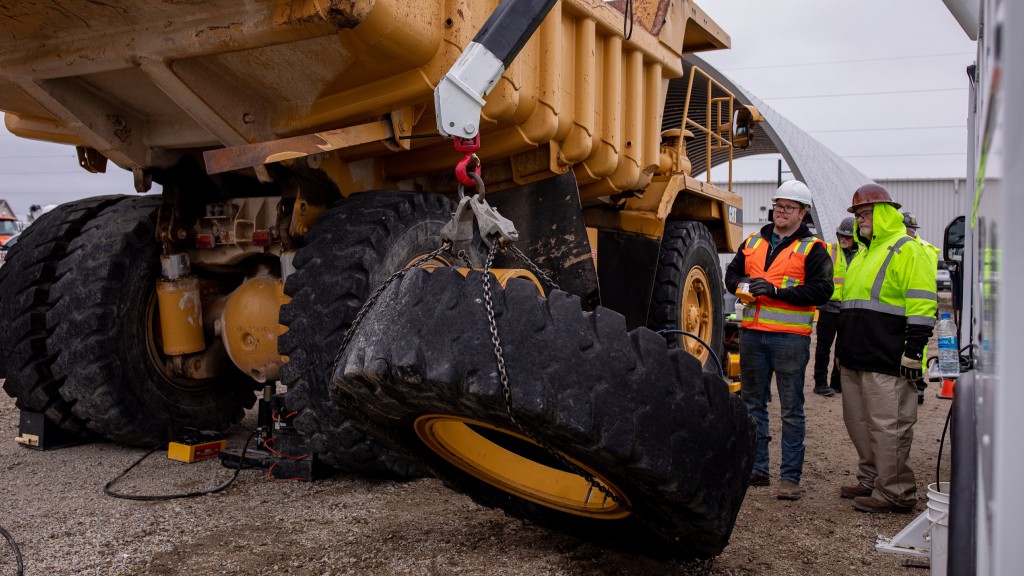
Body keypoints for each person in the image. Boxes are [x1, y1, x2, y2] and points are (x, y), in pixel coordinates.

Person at [725, 180, 833, 501]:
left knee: (791, 409)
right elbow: (731, 276)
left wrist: (775, 292)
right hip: (753, 336)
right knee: (753, 405)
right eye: (778, 205)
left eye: (788, 207)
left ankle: (790, 478)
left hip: (789, 339)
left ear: (803, 213)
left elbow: (821, 291)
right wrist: (743, 284)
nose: (781, 211)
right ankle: (757, 469)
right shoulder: (754, 241)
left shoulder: (813, 249)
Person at [837, 184, 937, 513]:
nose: (860, 220)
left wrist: (914, 351)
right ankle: (871, 479)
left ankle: (896, 492)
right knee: (859, 424)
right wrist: (840, 354)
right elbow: (850, 307)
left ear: (883, 213)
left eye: (865, 213)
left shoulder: (908, 249)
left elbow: (922, 305)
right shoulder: (863, 253)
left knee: (889, 425)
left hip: (888, 357)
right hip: (856, 356)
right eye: (857, 215)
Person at [812, 216, 859, 397]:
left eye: (847, 236)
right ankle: (820, 383)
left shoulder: (862, 254)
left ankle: (837, 382)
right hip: (828, 307)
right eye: (841, 235)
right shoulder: (829, 250)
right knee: (824, 347)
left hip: (849, 309)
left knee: (843, 348)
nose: (843, 239)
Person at [902, 210, 941, 404]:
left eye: (910, 229)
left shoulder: (918, 249)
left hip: (917, 302)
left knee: (918, 346)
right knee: (917, 346)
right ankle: (916, 384)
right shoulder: (926, 247)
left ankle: (918, 384)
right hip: (924, 301)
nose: (909, 232)